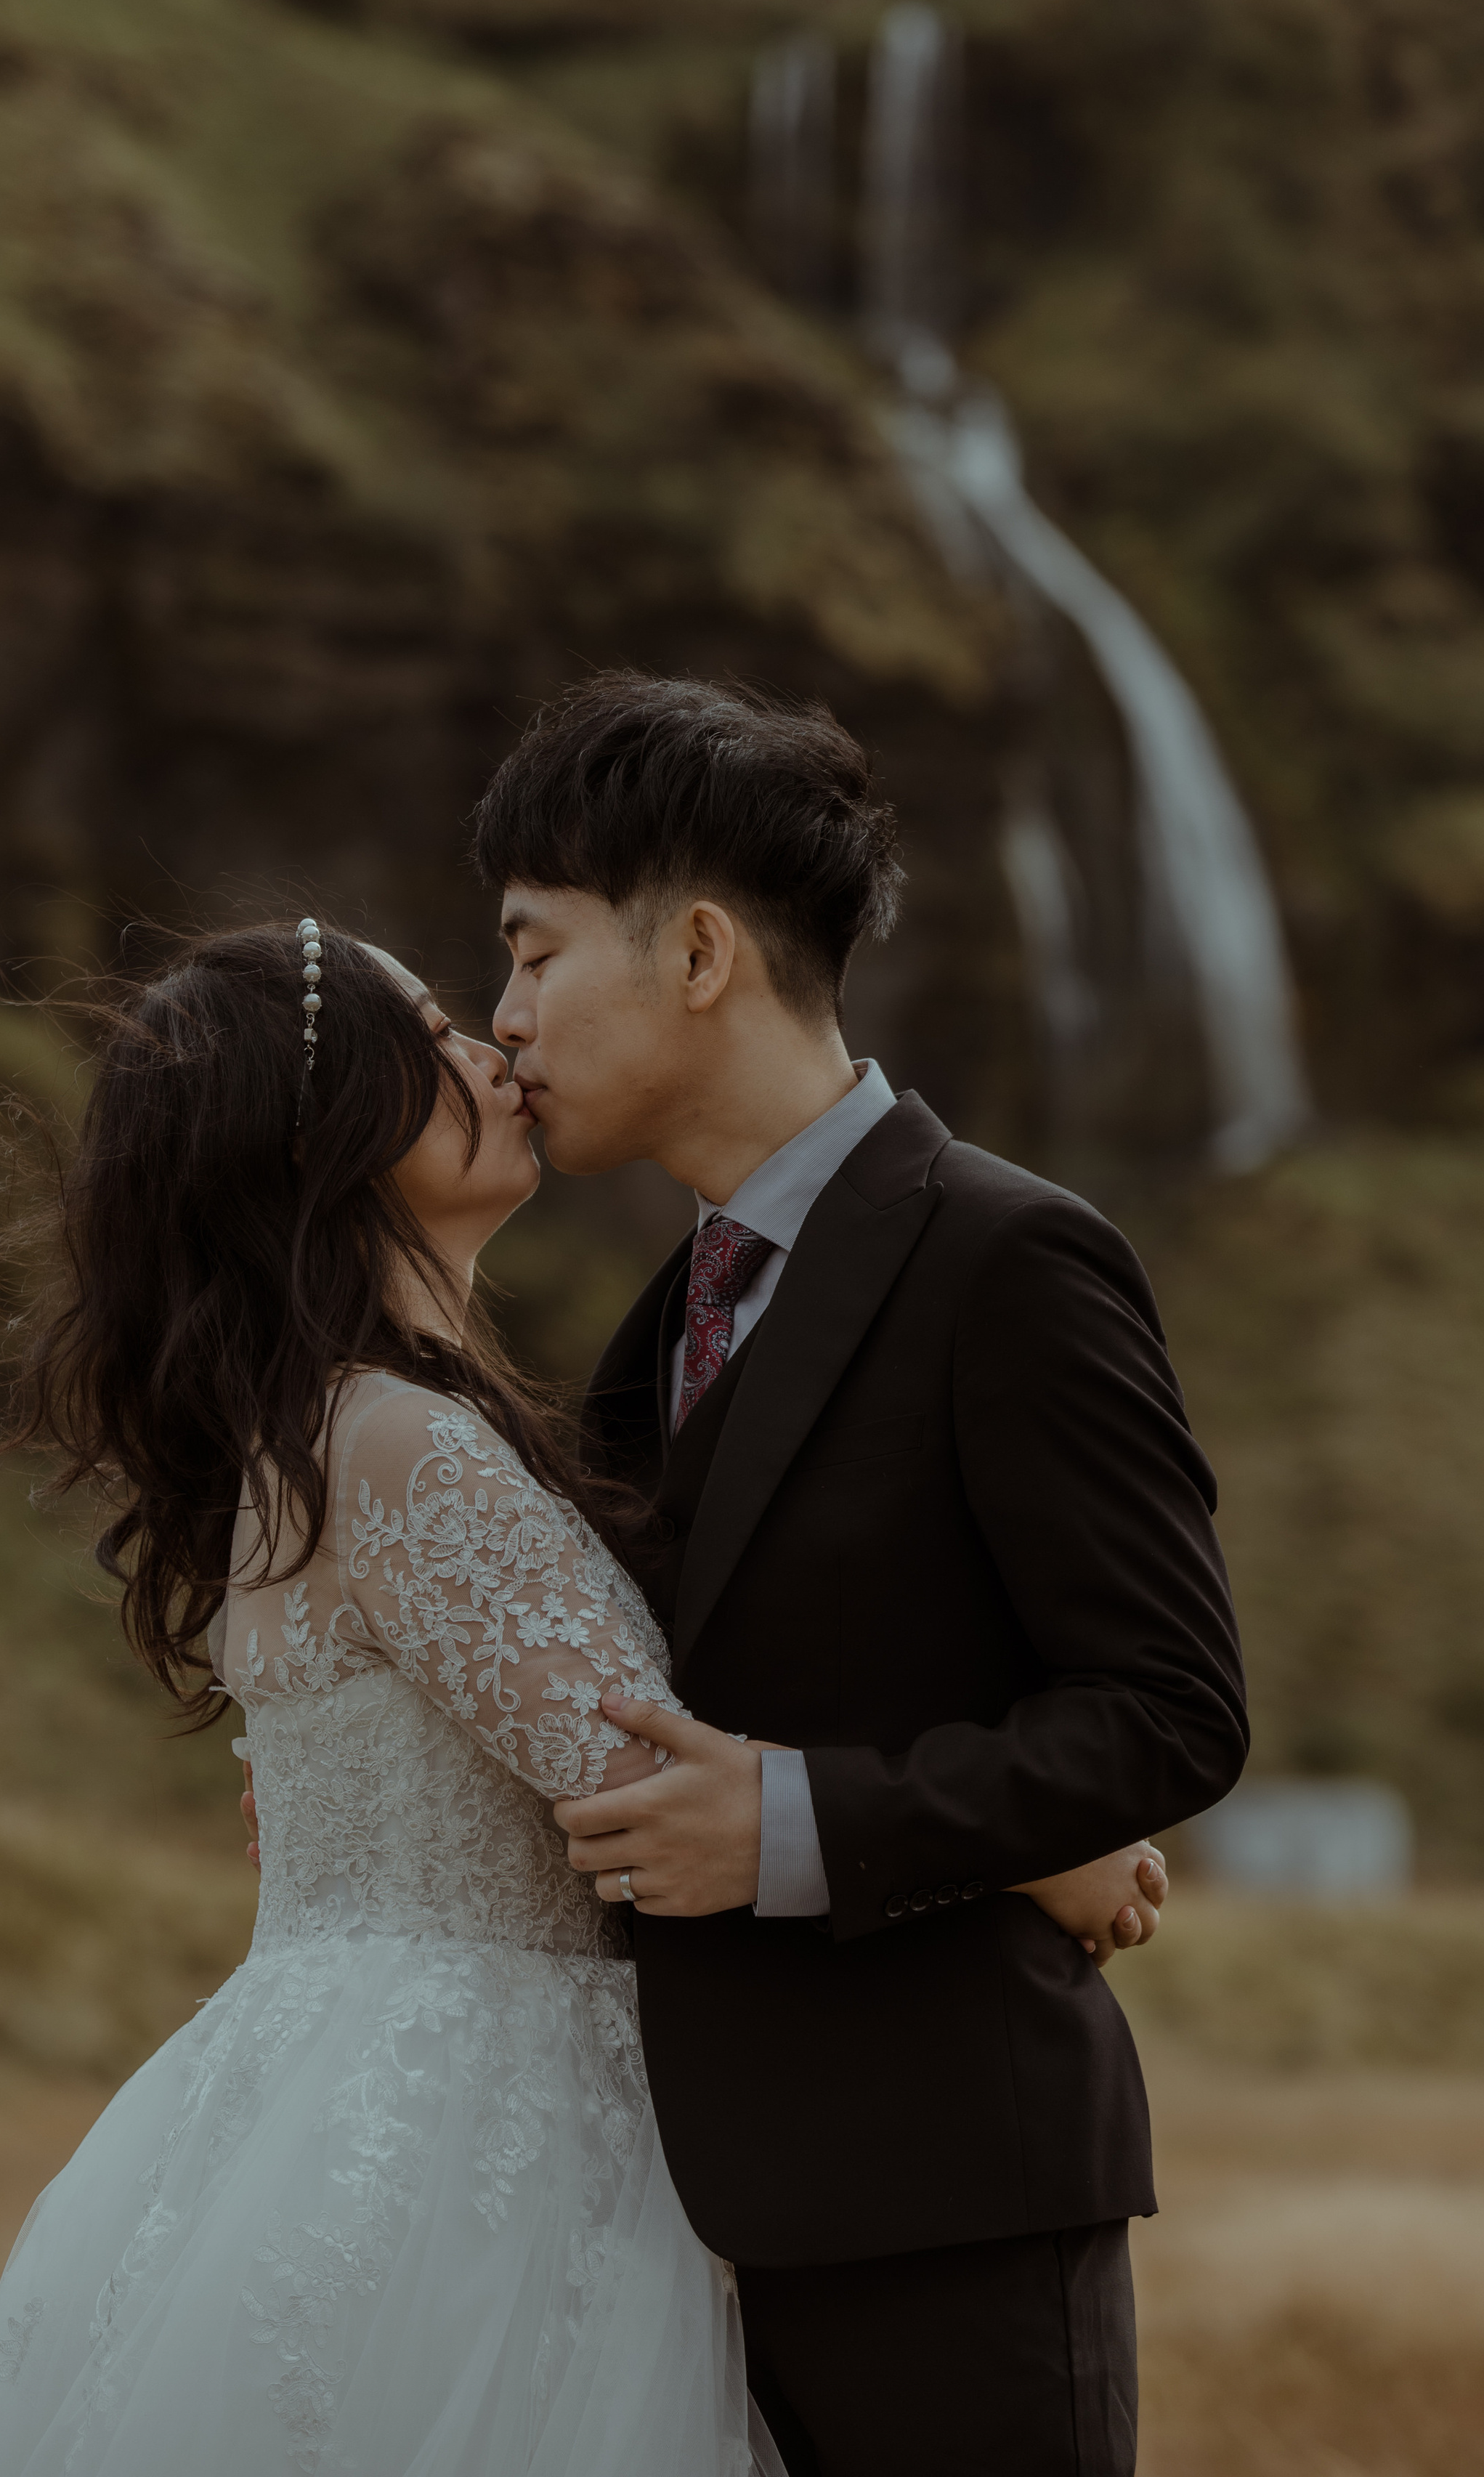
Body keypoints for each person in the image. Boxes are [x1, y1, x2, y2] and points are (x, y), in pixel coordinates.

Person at [0, 915, 1160, 2477]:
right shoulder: (402, 1445)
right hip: (475, 2125)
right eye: (433, 1036)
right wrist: (1050, 1848)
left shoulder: (350, 1429)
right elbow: (639, 1768)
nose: (493, 1047)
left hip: (353, 2084)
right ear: (332, 1133)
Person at [468, 673, 1249, 2477]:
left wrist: (803, 1825)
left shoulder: (1010, 1256)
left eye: (529, 954)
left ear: (698, 955)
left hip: (945, 2209)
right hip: (671, 2221)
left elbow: (1170, 1709)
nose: (503, 1020)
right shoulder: (662, 1315)